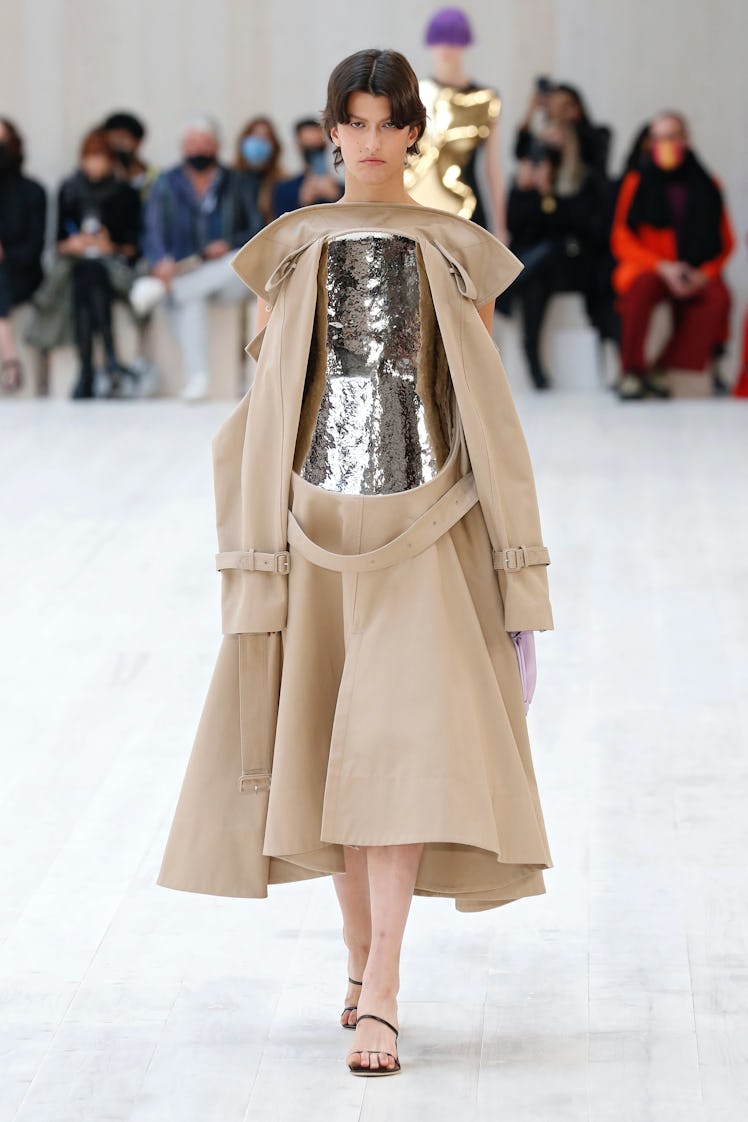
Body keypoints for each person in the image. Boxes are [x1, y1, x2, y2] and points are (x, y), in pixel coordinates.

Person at [158, 49, 554, 1078]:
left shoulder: (457, 251)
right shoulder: (288, 250)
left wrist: (515, 571)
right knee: (331, 746)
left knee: (393, 756)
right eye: (355, 122)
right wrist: (253, 548)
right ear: (329, 130)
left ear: (415, 131)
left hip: (427, 530)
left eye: (390, 122)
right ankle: (357, 954)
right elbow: (267, 407)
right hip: (315, 529)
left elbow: (486, 412)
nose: (372, 141)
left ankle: (383, 983)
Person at [611, 111, 735, 400]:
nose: (662, 145)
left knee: (717, 298)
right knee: (639, 290)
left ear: (685, 140)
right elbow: (621, 237)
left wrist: (703, 274)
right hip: (652, 268)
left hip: (695, 270)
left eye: (670, 137)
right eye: (656, 139)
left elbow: (725, 243)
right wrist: (661, 266)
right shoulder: (636, 182)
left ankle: (662, 368)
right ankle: (631, 372)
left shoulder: (708, 185)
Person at [138, 115, 262, 400]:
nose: (198, 149)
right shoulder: (166, 183)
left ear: (216, 147)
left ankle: (167, 290)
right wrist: (160, 261)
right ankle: (198, 379)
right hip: (187, 272)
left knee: (235, 259)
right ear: (183, 147)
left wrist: (228, 243)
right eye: (193, 144)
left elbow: (256, 228)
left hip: (228, 276)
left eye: (205, 143)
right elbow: (152, 230)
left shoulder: (236, 182)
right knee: (191, 296)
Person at [499, 138, 607, 388]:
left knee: (548, 250)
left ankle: (507, 289)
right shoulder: (519, 190)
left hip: (562, 265)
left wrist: (547, 194)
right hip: (535, 272)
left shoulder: (566, 188)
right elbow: (514, 226)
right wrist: (525, 191)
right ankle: (536, 366)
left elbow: (566, 227)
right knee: (534, 288)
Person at [56, 128, 141, 399]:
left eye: (99, 157)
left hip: (114, 270)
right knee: (87, 276)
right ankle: (110, 359)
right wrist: (74, 244)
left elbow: (134, 246)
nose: (94, 164)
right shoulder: (69, 190)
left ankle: (86, 372)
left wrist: (110, 246)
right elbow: (57, 241)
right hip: (75, 267)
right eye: (89, 157)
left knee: (91, 277)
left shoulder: (125, 193)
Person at [405, 7, 506, 236]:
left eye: (453, 39)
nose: (446, 48)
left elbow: (492, 168)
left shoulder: (485, 100)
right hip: (418, 208)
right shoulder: (415, 94)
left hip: (467, 206)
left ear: (464, 43)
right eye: (440, 39)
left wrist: (501, 225)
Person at [0, 117, 46, 392]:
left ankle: (10, 360)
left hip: (22, 275)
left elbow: (33, 247)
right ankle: (10, 358)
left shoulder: (32, 191)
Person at [272, 118, 342, 216]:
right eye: (308, 145)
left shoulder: (343, 189)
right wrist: (302, 204)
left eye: (318, 145)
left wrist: (337, 198)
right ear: (298, 146)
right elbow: (280, 228)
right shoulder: (284, 190)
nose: (314, 151)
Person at [234, 115, 285, 226]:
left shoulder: (282, 183)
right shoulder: (231, 181)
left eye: (265, 137)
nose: (259, 141)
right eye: (255, 135)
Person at [101, 110, 158, 199]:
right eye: (112, 140)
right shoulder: (100, 176)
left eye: (122, 138)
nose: (118, 145)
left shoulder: (156, 179)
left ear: (138, 141)